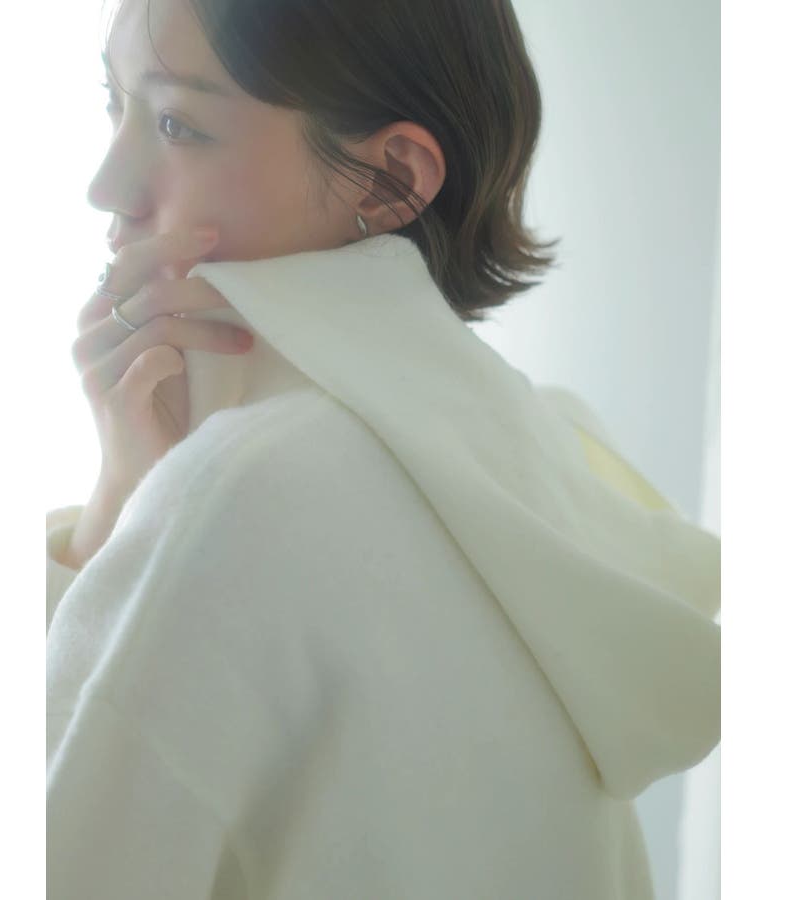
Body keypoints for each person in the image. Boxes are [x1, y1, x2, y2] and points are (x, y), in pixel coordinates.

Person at [46, 1, 722, 898]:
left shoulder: (245, 495)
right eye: (114, 101)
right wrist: (130, 489)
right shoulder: (542, 465)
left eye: (177, 123)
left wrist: (121, 518)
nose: (107, 185)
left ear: (389, 179)